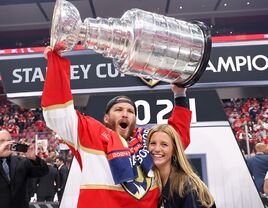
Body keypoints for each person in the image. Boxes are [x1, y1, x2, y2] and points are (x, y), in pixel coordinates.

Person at [41, 48, 191, 207]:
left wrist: (180, 94)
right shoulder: (91, 133)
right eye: (118, 110)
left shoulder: (148, 140)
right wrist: (55, 63)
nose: (125, 114)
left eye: (130, 111)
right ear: (106, 117)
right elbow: (59, 114)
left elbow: (177, 139)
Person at [147, 124, 216, 208]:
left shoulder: (188, 187)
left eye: (164, 144)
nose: (157, 149)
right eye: (153, 143)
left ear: (174, 150)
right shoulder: (150, 184)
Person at [0, 130, 49, 208]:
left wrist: (33, 158)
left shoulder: (21, 161)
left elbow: (43, 171)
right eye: (2, 141)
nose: (7, 144)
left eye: (9, 141)